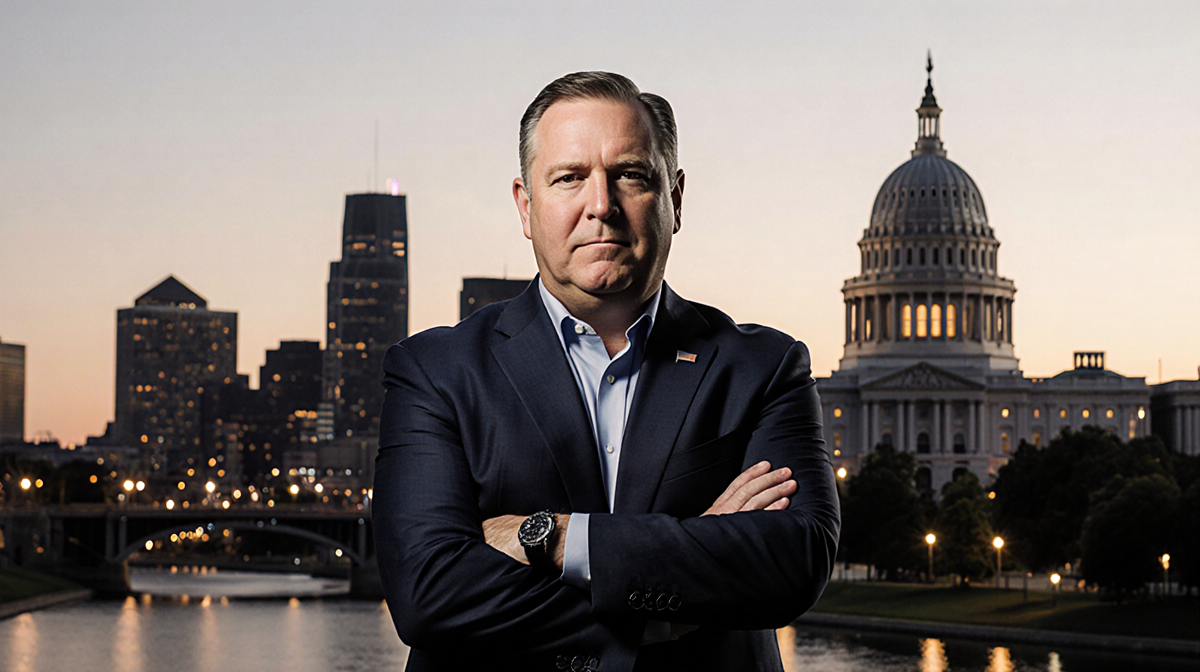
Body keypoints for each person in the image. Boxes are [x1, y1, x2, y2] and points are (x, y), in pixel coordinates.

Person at [374, 71, 839, 672]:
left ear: (675, 199)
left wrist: (558, 537)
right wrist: (674, 590)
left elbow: (793, 562)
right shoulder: (435, 372)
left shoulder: (764, 368)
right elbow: (428, 596)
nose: (601, 205)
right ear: (525, 204)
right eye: (569, 178)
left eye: (630, 175)